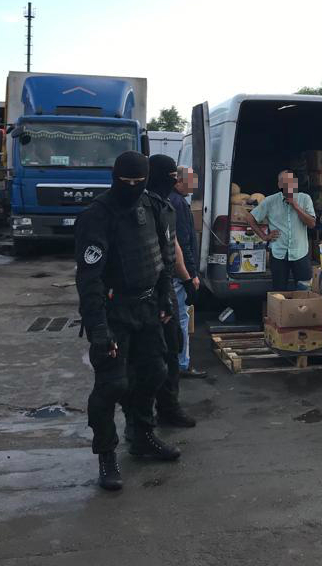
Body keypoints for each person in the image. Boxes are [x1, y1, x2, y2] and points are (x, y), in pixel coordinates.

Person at [74, 151, 180, 492]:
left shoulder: (155, 207)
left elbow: (163, 258)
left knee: (154, 373)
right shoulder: (98, 216)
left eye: (139, 181)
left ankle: (141, 434)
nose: (132, 187)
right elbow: (89, 279)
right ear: (115, 178)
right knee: (112, 385)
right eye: (126, 182)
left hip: (148, 307)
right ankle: (107, 454)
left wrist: (165, 298)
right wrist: (98, 329)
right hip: (113, 309)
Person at [140, 154, 198, 429]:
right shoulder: (138, 207)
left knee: (172, 346)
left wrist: (186, 278)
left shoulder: (166, 207)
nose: (174, 182)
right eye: (172, 177)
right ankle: (141, 424)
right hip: (141, 294)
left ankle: (169, 408)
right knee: (149, 359)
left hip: (166, 287)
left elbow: (173, 245)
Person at [246, 171, 317, 291]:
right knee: (279, 292)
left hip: (300, 252)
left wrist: (296, 206)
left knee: (305, 290)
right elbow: (250, 218)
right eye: (285, 182)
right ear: (280, 185)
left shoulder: (305, 199)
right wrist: (264, 236)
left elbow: (312, 224)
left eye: (291, 181)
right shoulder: (270, 201)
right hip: (278, 253)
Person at [170, 165, 206, 378]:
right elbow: (182, 243)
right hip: (179, 273)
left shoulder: (172, 200)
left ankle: (174, 361)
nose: (195, 185)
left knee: (175, 316)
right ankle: (181, 364)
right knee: (181, 318)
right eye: (192, 180)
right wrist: (191, 274)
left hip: (174, 272)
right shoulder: (178, 204)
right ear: (179, 181)